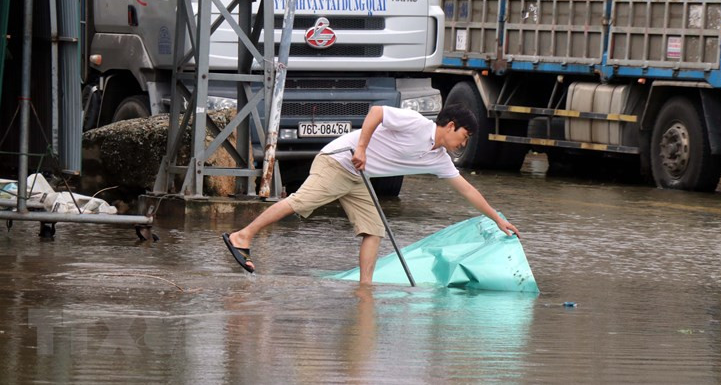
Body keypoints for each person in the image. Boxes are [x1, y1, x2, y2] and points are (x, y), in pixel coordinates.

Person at [222, 103, 521, 284]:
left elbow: (467, 189)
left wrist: (497, 219)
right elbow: (377, 112)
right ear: (451, 126)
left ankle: (365, 288)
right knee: (300, 201)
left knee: (373, 230)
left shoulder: (439, 159)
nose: (462, 144)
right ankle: (242, 236)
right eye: (464, 137)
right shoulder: (417, 124)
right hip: (340, 160)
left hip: (358, 178)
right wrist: (362, 147)